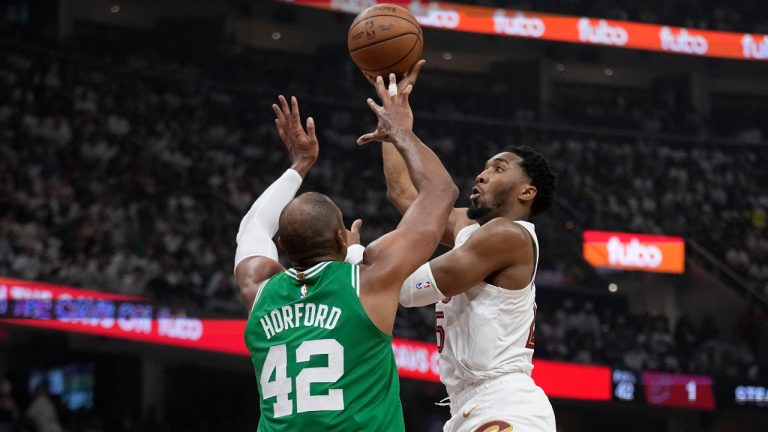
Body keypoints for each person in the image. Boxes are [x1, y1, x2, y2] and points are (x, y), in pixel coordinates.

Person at [234, 80, 458, 430]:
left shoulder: (258, 288)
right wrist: (401, 133)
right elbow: (442, 192)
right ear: (342, 237)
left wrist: (299, 166)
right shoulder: (369, 278)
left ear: (283, 247)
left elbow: (252, 226)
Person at [381, 61, 558, 432]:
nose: (481, 174)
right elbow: (403, 194)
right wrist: (396, 129)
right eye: (484, 167)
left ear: (527, 191)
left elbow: (412, 291)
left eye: (498, 169)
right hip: (467, 407)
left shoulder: (508, 236)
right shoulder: (472, 229)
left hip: (506, 405)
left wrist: (354, 265)